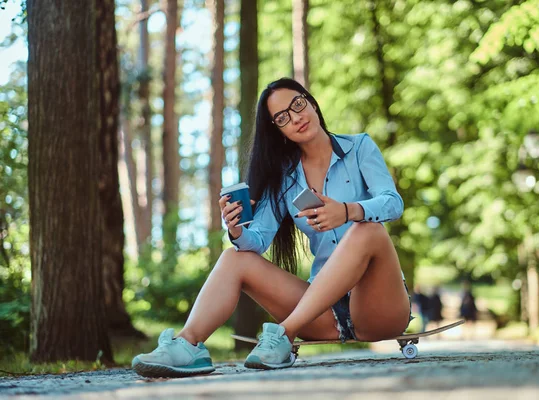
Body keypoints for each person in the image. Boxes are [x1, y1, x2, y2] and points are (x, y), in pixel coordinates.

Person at [132, 78, 412, 377]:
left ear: (312, 103)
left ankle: (282, 335)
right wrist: (237, 230)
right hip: (322, 313)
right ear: (278, 131)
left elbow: (392, 203)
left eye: (298, 104)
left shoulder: (359, 148)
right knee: (233, 257)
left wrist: (347, 211)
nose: (296, 117)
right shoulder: (286, 178)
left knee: (367, 229)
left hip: (378, 308)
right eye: (283, 118)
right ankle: (187, 345)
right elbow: (259, 240)